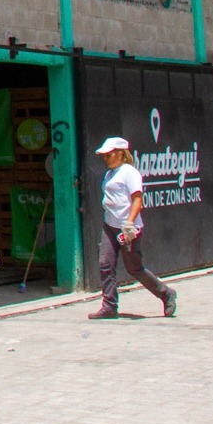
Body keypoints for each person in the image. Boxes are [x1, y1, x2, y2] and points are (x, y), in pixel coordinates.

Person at [89, 136, 176, 319]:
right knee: (105, 264)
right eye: (104, 155)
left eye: (109, 154)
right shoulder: (109, 174)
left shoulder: (130, 173)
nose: (105, 158)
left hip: (128, 229)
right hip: (110, 225)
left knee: (134, 268)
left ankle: (166, 293)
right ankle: (109, 306)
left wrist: (129, 224)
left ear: (121, 154)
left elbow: (137, 199)